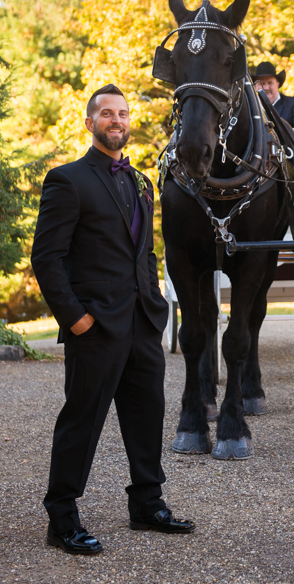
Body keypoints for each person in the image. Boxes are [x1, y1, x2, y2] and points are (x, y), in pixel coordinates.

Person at [32, 84, 194, 556]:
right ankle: (61, 519)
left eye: (122, 113)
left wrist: (157, 308)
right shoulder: (67, 180)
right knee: (81, 420)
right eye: (106, 113)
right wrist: (77, 320)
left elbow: (145, 253)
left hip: (143, 323)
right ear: (90, 123)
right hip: (96, 327)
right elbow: (48, 259)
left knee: (147, 417)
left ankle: (147, 504)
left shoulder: (142, 183)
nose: (116, 120)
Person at [252, 61, 294, 144]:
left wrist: (292, 133)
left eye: (270, 83)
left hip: (288, 154)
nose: (265, 87)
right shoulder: (250, 106)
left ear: (277, 84)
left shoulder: (293, 103)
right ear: (255, 86)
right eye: (261, 83)